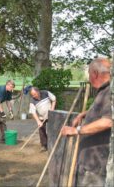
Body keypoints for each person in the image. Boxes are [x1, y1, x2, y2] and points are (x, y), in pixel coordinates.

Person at [61, 57, 112, 186]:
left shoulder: (109, 92)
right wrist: (84, 114)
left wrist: (76, 130)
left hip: (97, 164)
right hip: (92, 161)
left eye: (89, 73)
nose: (89, 77)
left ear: (95, 74)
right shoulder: (104, 91)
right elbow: (104, 111)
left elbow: (108, 121)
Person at [29, 86, 56, 151]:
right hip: (41, 117)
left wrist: (52, 109)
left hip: (51, 115)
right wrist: (38, 121)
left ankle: (53, 144)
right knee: (41, 130)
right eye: (32, 95)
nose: (33, 96)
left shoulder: (46, 93)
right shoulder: (32, 101)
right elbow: (33, 112)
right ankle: (44, 145)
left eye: (34, 94)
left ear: (38, 91)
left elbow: (54, 99)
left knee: (52, 130)